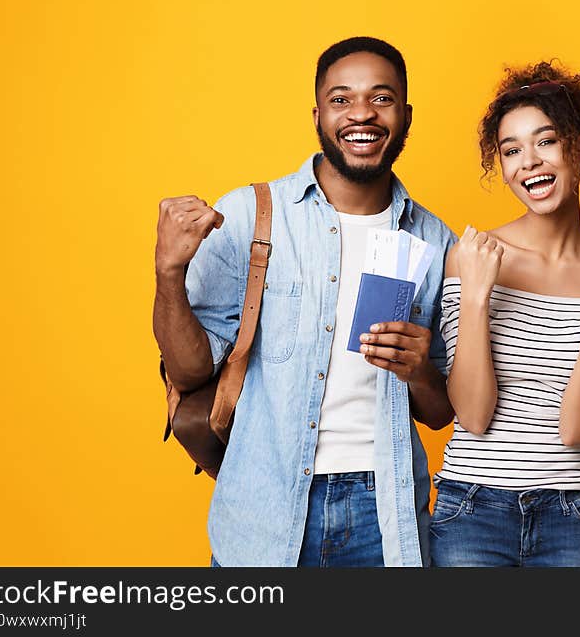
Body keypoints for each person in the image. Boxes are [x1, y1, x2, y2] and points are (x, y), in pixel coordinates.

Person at [152, 37, 457, 567]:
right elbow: (188, 370)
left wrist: (418, 371)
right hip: (262, 510)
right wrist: (168, 272)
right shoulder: (251, 217)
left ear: (406, 115)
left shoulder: (434, 240)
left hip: (383, 514)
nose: (362, 114)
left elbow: (440, 411)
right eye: (342, 99)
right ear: (318, 115)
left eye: (381, 98)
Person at [429, 60, 580, 567]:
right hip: (472, 508)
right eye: (511, 150)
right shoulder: (475, 256)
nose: (528, 161)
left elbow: (575, 427)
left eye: (545, 141)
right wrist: (478, 295)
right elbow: (472, 414)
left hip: (572, 515)